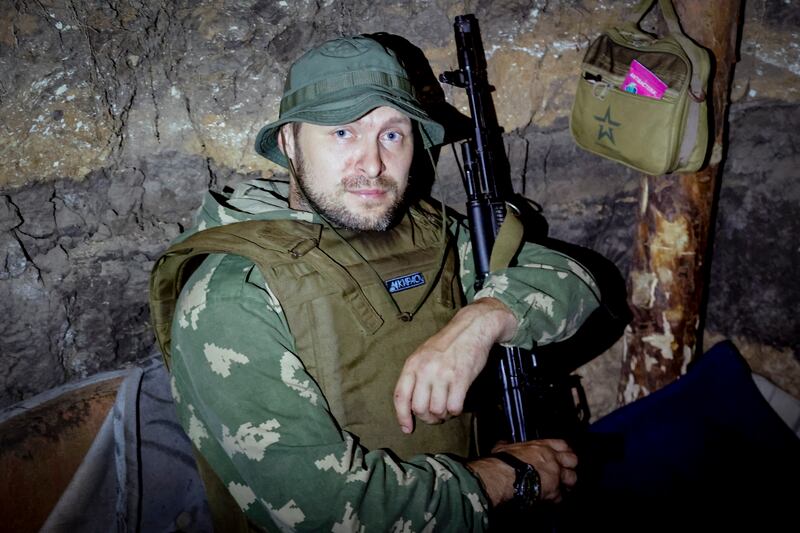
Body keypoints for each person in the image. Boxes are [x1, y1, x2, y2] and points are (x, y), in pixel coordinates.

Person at [148, 35, 604, 531]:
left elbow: (575, 281)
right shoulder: (232, 298)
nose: (372, 165)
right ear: (288, 143)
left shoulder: (423, 231)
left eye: (392, 134)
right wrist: (508, 475)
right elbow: (334, 515)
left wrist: (483, 319)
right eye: (342, 133)